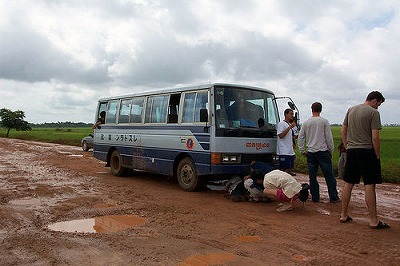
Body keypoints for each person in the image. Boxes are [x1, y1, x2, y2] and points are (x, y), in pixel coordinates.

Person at [340, 91, 389, 229]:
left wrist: (347, 146)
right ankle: (374, 220)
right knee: (369, 184)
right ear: (374, 100)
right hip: (367, 151)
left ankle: (343, 214)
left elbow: (343, 131)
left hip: (352, 151)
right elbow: (375, 137)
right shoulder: (373, 113)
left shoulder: (351, 110)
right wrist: (377, 154)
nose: (378, 107)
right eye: (378, 104)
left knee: (348, 183)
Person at [298, 102, 340, 203]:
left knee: (312, 176)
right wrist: (331, 150)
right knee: (329, 175)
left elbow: (301, 137)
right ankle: (333, 197)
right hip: (322, 151)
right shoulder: (324, 122)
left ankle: (315, 197)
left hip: (311, 152)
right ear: (321, 110)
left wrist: (302, 150)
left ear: (311, 109)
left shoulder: (306, 122)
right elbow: (329, 138)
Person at [276, 109, 297, 176]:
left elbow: (289, 137)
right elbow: (281, 135)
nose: (292, 116)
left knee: (290, 169)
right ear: (286, 114)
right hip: (284, 151)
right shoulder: (281, 124)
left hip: (290, 151)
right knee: (285, 170)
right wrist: (290, 127)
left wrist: (293, 142)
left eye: (292, 114)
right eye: (291, 114)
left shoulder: (289, 124)